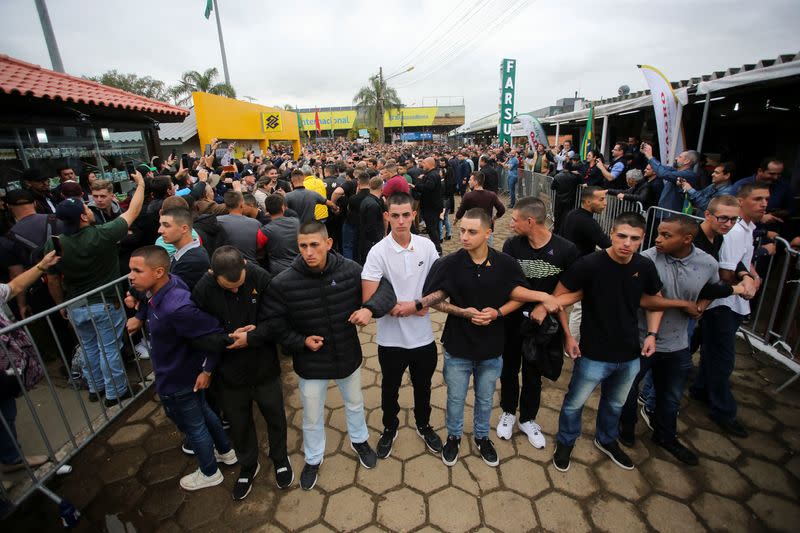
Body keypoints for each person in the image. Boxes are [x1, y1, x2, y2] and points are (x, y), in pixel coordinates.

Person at [264, 221, 396, 490]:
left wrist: (369, 309)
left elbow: (385, 289)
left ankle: (359, 440)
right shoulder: (283, 282)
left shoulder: (351, 270)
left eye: (314, 245)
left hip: (347, 354)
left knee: (355, 403)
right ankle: (313, 457)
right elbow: (274, 324)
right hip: (311, 362)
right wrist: (300, 342)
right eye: (303, 246)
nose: (309, 252)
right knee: (312, 415)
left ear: (328, 243)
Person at [419, 208, 531, 468]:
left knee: (485, 397)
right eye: (461, 231)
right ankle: (454, 436)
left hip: (492, 347)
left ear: (488, 233)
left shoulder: (505, 263)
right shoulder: (448, 263)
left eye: (472, 232)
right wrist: (463, 312)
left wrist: (498, 313)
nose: (464, 237)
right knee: (455, 398)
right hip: (458, 346)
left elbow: (520, 295)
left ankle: (482, 437)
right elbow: (430, 300)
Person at [551, 212, 663, 472]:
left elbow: (656, 301)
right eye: (621, 236)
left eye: (634, 238)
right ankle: (566, 441)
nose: (626, 243)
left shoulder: (644, 266)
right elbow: (557, 299)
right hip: (592, 352)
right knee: (574, 403)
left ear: (642, 239)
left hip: (629, 353)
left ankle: (607, 439)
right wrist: (568, 336)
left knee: (615, 403)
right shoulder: (588, 264)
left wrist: (652, 334)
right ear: (611, 234)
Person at [126, 246, 237, 491]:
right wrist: (140, 313)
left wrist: (207, 369)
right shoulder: (166, 284)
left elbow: (214, 332)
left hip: (179, 378)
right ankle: (226, 452)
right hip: (177, 373)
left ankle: (209, 472)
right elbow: (145, 298)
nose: (130, 277)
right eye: (130, 270)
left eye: (136, 271)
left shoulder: (177, 307)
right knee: (205, 415)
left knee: (193, 426)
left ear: (158, 272)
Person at [619, 216, 727, 466]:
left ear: (687, 239)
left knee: (670, 396)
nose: (658, 239)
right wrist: (683, 304)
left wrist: (701, 306)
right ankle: (625, 429)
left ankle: (666, 436)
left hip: (678, 343)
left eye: (667, 235)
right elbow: (643, 300)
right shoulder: (646, 260)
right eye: (658, 233)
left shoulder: (707, 263)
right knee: (627, 389)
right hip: (640, 339)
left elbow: (711, 290)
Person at [192, 247, 292, 498]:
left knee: (275, 416)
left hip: (264, 367)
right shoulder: (202, 290)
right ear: (212, 273)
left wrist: (253, 335)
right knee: (239, 424)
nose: (236, 290)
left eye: (240, 284)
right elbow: (198, 334)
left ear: (246, 265)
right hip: (229, 374)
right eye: (229, 287)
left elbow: (279, 321)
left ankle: (280, 458)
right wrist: (226, 340)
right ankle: (249, 464)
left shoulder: (261, 277)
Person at [45, 171, 146, 407]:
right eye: (87, 207)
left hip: (75, 305)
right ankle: (116, 392)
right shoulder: (102, 234)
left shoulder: (54, 243)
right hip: (105, 303)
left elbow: (52, 279)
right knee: (109, 348)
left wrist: (61, 304)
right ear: (82, 216)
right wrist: (140, 184)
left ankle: (95, 387)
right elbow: (133, 211)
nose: (92, 207)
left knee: (89, 346)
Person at [361, 193, 444, 459]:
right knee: (389, 387)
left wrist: (419, 305)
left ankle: (424, 424)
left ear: (413, 215)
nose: (400, 221)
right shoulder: (377, 251)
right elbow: (368, 297)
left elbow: (441, 288)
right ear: (386, 216)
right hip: (390, 340)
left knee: (424, 386)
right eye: (394, 215)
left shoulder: (427, 247)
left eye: (406, 215)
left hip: (423, 338)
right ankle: (389, 427)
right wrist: (401, 307)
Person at [497, 197, 579, 448]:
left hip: (545, 328)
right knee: (509, 369)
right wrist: (542, 298)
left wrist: (546, 308)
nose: (510, 224)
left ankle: (528, 418)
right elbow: (508, 287)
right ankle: (508, 411)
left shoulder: (566, 250)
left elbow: (576, 290)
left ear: (530, 221)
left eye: (514, 219)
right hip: (513, 322)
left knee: (534, 374)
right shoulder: (511, 246)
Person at [692, 183, 770, 438]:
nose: (764, 204)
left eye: (766, 199)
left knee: (710, 352)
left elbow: (737, 263)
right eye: (758, 199)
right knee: (722, 358)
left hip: (723, 302)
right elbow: (724, 275)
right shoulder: (734, 232)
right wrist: (743, 284)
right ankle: (723, 409)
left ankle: (701, 390)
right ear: (741, 200)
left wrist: (748, 273)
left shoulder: (738, 230)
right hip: (723, 304)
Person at [0, 251, 60, 477]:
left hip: (3, 371)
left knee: (7, 413)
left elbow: (13, 287)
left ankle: (11, 458)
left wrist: (43, 265)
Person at [729, 157, 791, 230]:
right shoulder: (741, 185)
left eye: (779, 174)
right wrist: (759, 217)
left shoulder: (783, 186)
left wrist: (775, 214)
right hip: (743, 229)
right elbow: (729, 210)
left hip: (772, 230)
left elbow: (790, 209)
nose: (776, 177)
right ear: (760, 171)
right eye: (772, 174)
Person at [157, 207, 210, 291]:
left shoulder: (192, 261)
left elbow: (170, 292)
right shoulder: (186, 252)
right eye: (160, 225)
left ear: (184, 229)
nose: (160, 230)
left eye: (166, 225)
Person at [640, 143, 700, 213]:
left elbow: (662, 173)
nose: (676, 158)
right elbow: (659, 168)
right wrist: (646, 154)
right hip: (664, 212)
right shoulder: (675, 171)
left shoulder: (688, 175)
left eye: (680, 157)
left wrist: (650, 157)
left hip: (671, 215)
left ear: (687, 161)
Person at [455, 172, 505, 248]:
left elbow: (460, 213)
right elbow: (501, 209)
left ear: (476, 182)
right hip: (487, 228)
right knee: (488, 252)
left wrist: (456, 219)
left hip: (472, 229)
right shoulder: (491, 195)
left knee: (472, 252)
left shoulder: (468, 196)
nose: (468, 181)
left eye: (470, 179)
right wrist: (494, 218)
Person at [216, 191, 265, 262]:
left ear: (226, 206)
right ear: (241, 205)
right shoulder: (256, 223)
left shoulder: (217, 221)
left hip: (226, 265)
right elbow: (260, 247)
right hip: (250, 265)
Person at [260, 195, 300, 276]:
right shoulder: (297, 222)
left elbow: (259, 249)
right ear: (283, 208)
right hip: (299, 265)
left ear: (267, 210)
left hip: (278, 271)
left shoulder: (264, 231)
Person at [415, 157, 444, 254]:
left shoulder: (432, 175)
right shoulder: (432, 174)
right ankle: (435, 247)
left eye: (423, 163)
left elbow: (428, 188)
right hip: (432, 205)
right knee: (433, 228)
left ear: (429, 164)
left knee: (432, 228)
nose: (422, 165)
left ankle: (437, 249)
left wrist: (418, 183)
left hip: (431, 206)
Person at [358, 176, 386, 264]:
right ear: (382, 188)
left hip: (365, 240)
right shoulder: (373, 205)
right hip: (370, 242)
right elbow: (372, 227)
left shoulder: (367, 200)